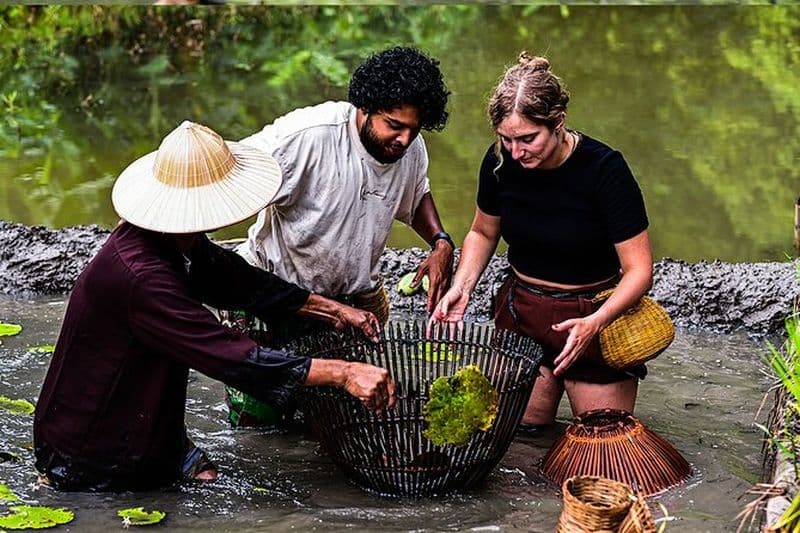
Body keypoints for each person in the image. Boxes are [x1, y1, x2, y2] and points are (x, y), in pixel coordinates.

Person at [33, 121, 396, 491]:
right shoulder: (143, 277)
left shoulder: (175, 239)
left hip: (146, 422)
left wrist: (330, 309)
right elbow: (229, 355)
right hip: (89, 450)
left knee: (207, 479)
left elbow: (236, 279)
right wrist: (345, 373)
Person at [225, 46, 455, 426]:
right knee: (260, 424)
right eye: (394, 125)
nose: (404, 139)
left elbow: (415, 197)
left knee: (334, 421)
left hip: (349, 306)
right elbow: (232, 175)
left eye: (414, 129)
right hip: (275, 296)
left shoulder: (409, 151)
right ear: (364, 107)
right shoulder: (305, 139)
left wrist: (441, 241)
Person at [432, 53, 653, 435]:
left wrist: (596, 321)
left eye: (528, 139)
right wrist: (462, 286)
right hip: (523, 312)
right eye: (506, 139)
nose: (517, 152)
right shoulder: (501, 162)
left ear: (558, 124)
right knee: (517, 438)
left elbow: (639, 271)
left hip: (592, 314)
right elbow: (483, 232)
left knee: (602, 440)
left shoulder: (604, 169)